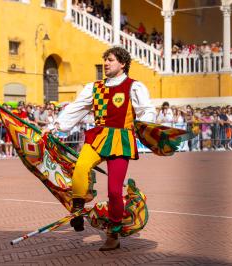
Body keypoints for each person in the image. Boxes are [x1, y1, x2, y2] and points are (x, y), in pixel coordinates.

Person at [55, 47, 156, 251]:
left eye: (110, 60)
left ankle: (114, 233)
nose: (106, 64)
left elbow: (147, 111)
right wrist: (56, 128)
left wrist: (145, 128)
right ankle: (78, 210)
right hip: (99, 136)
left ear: (122, 63)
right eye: (105, 60)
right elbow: (77, 108)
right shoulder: (94, 87)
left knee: (114, 191)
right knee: (80, 169)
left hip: (121, 139)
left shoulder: (134, 87)